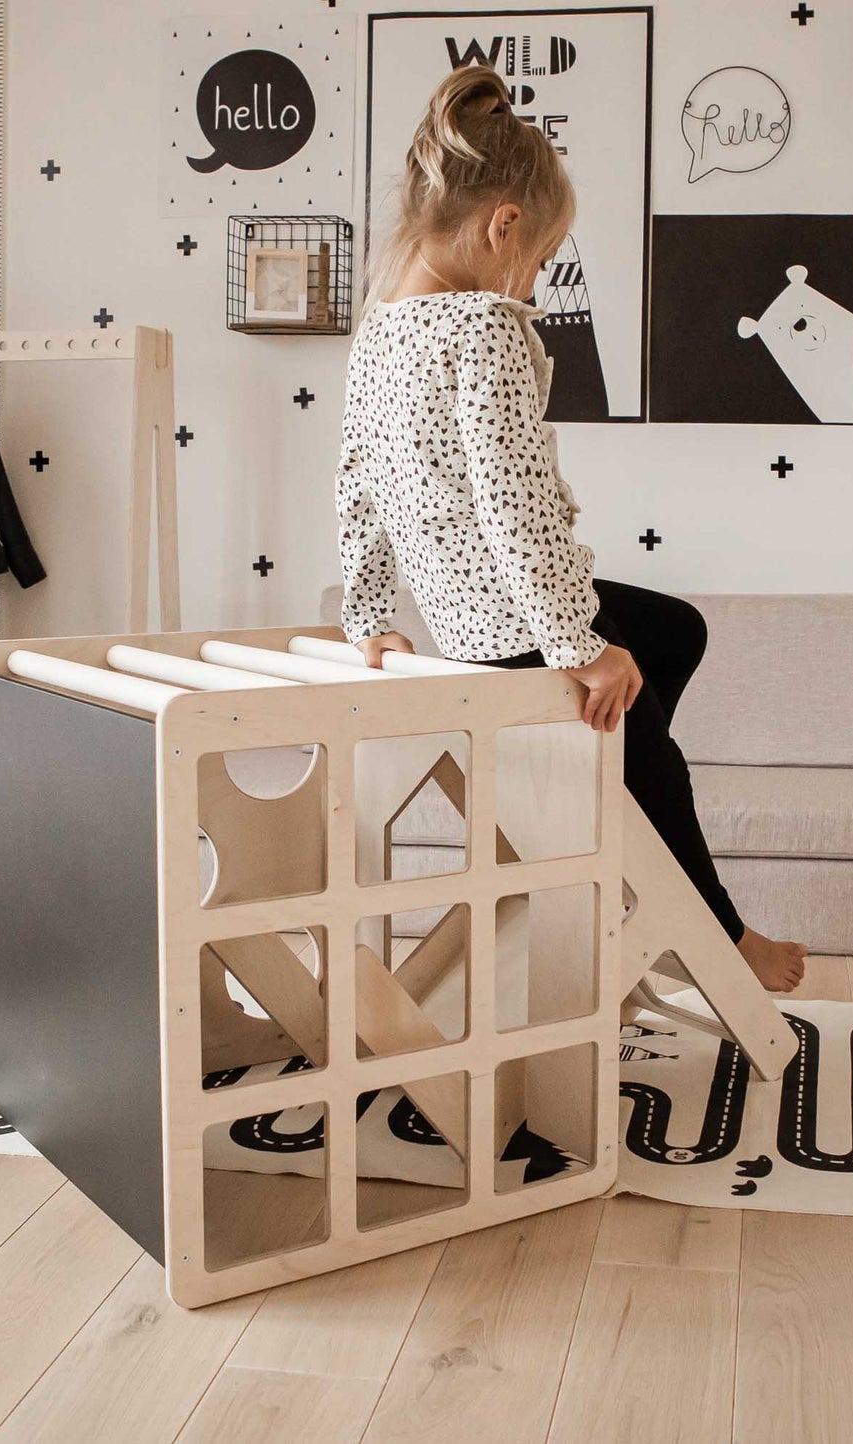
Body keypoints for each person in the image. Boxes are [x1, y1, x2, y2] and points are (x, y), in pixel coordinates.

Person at [333, 64, 807, 993]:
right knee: (646, 738)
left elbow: (356, 480)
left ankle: (606, 815)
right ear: (502, 224)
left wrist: (369, 614)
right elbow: (519, 503)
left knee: (674, 631)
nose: (538, 277)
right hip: (518, 625)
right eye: (542, 255)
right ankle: (717, 935)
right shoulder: (486, 329)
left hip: (465, 622)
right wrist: (576, 646)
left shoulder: (380, 332)